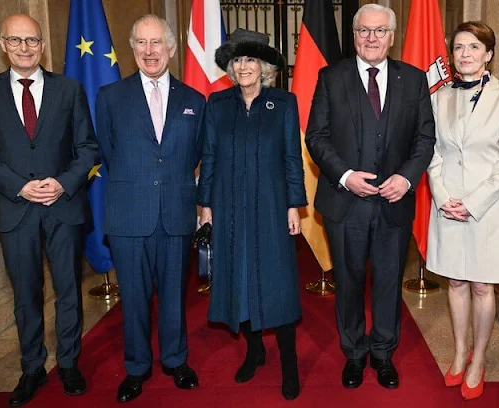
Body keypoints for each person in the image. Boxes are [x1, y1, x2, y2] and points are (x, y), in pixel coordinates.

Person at [0, 13, 98, 407]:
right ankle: (32, 367)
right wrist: (18, 185)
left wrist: (62, 182)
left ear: (42, 45)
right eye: (17, 40)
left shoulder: (69, 90)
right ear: (3, 45)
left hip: (63, 206)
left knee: (69, 290)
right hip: (14, 207)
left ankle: (70, 364)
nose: (25, 47)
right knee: (26, 292)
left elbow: (88, 147)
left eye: (32, 41)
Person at [305, 4, 435, 390]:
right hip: (345, 205)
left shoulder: (414, 80)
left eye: (380, 31)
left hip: (394, 203)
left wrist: (407, 179)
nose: (371, 38)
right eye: (364, 31)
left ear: (392, 37)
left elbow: (425, 139)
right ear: (354, 34)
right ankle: (354, 353)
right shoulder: (331, 77)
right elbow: (316, 136)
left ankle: (382, 354)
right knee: (348, 283)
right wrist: (345, 176)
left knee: (389, 282)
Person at [95, 14, 205, 403]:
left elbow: (194, 155)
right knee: (135, 297)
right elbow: (109, 152)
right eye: (141, 43)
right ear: (133, 49)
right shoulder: (111, 97)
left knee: (175, 294)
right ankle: (137, 367)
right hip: (129, 215)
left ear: (171, 49)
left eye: (156, 42)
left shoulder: (194, 101)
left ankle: (176, 360)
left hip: (175, 213)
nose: (149, 50)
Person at [198, 28, 307, 401]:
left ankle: (289, 362)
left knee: (278, 283)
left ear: (264, 66)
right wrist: (206, 206)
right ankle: (255, 349)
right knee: (238, 280)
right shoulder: (217, 104)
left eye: (251, 59)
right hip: (228, 209)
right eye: (238, 59)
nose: (244, 66)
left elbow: (292, 157)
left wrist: (295, 204)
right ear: (231, 66)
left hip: (273, 207)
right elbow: (209, 158)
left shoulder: (284, 103)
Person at [426, 21, 499, 400]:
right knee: (455, 281)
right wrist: (442, 194)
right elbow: (432, 151)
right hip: (447, 203)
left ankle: (479, 358)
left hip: (488, 207)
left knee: (483, 285)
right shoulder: (440, 97)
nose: (464, 54)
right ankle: (459, 351)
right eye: (458, 47)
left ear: (488, 54)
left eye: (472, 47)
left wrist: (472, 203)